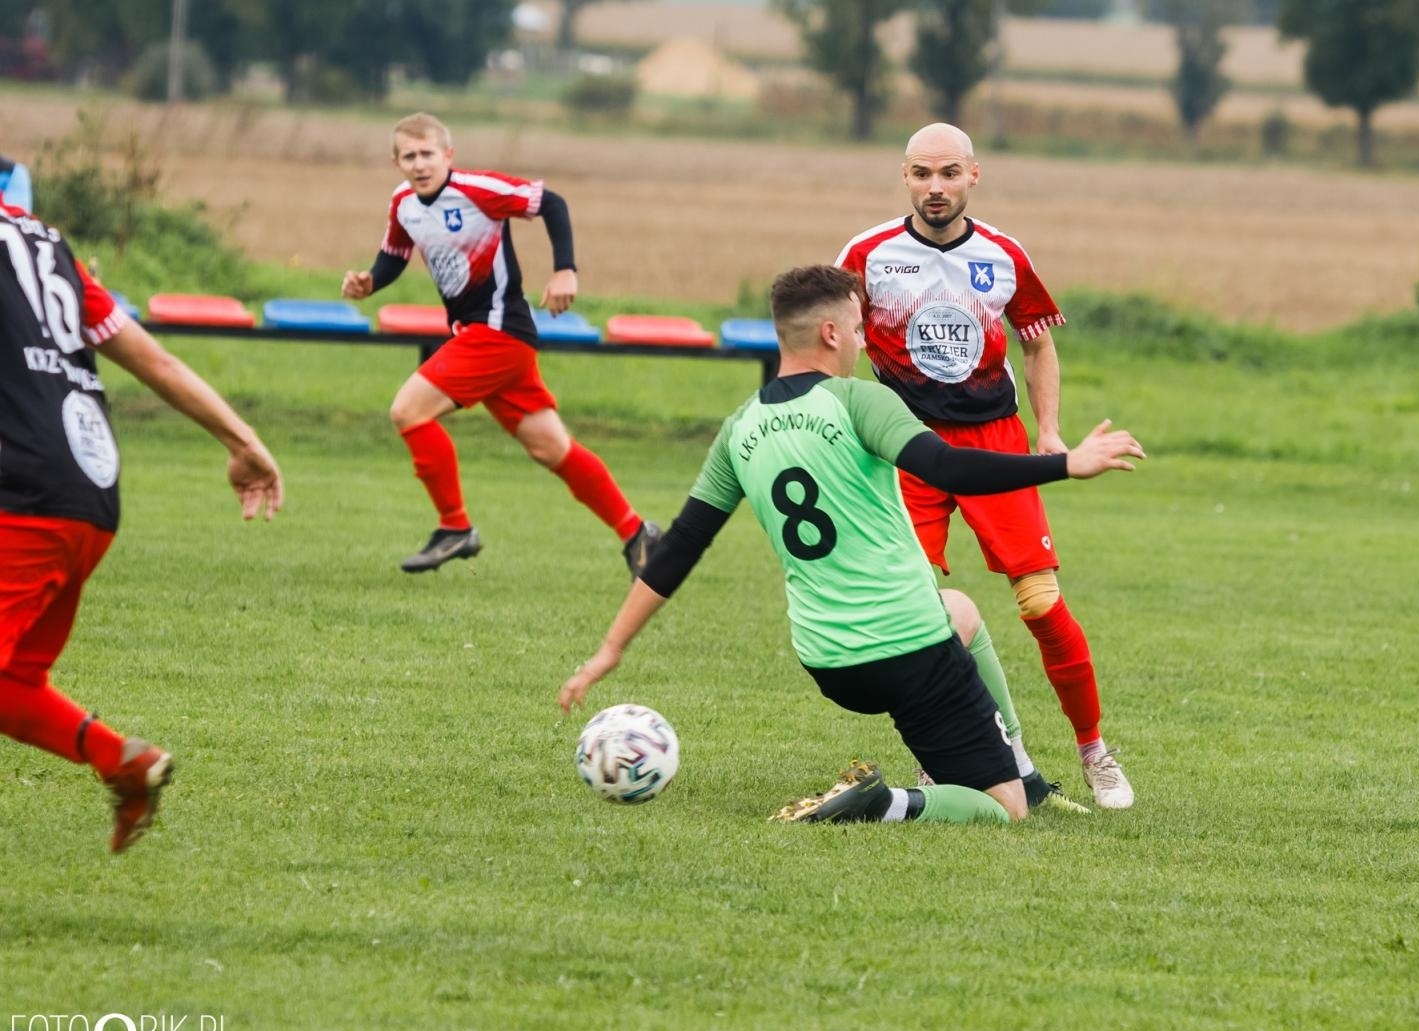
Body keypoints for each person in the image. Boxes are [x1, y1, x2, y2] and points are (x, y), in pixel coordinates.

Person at [558, 265, 1144, 825]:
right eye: (860, 329)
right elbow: (949, 468)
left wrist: (611, 649)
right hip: (907, 650)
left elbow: (680, 546)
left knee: (960, 608)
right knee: (1002, 809)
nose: (863, 343)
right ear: (831, 332)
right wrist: (1066, 464)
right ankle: (885, 802)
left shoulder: (739, 428)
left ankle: (1022, 769)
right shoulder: (859, 400)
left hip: (829, 661)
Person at [835, 122, 1135, 810]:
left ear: (974, 175)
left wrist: (1051, 432)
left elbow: (1037, 344)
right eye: (920, 174)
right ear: (903, 176)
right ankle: (944, 761)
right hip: (905, 445)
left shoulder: (1003, 255)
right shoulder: (867, 254)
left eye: (947, 173)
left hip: (994, 440)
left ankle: (1094, 750)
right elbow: (834, 339)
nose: (934, 188)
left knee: (1042, 603)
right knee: (911, 611)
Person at [0, 196, 283, 852]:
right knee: (12, 683)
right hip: (88, 490)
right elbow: (156, 361)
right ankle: (123, 759)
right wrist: (243, 441)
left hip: (22, 492)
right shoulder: (46, 242)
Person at [341, 112, 658, 575]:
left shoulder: (477, 190)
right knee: (551, 448)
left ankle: (455, 528)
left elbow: (552, 202)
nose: (420, 163)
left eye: (428, 153)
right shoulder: (403, 203)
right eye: (409, 156)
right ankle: (637, 533)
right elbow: (394, 254)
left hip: (498, 331)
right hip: (485, 337)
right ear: (396, 162)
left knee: (408, 410)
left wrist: (565, 270)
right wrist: (370, 281)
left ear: (448, 155)